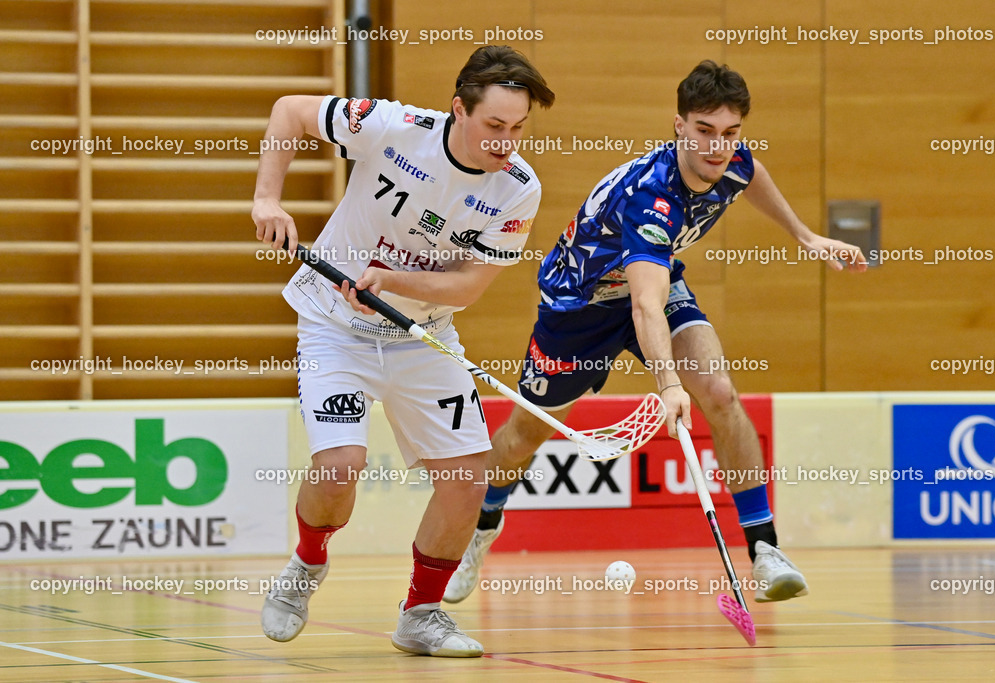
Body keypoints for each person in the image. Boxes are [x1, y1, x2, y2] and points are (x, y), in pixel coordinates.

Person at [444, 59, 867, 605]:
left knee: (718, 391)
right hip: (581, 306)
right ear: (679, 126)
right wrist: (668, 385)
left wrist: (805, 236)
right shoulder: (651, 197)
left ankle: (765, 550)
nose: (718, 148)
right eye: (704, 132)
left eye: (730, 133)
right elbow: (644, 305)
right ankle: (481, 530)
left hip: (657, 283)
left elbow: (751, 175)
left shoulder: (730, 158)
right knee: (527, 434)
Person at [251, 45, 554, 657]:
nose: (506, 141)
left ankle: (421, 614)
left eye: (518, 128)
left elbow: (468, 287)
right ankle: (306, 566)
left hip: (425, 336)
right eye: (494, 125)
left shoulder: (518, 188)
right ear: (458, 110)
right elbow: (289, 111)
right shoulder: (393, 126)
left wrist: (393, 280)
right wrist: (267, 199)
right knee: (339, 466)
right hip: (334, 323)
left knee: (468, 481)